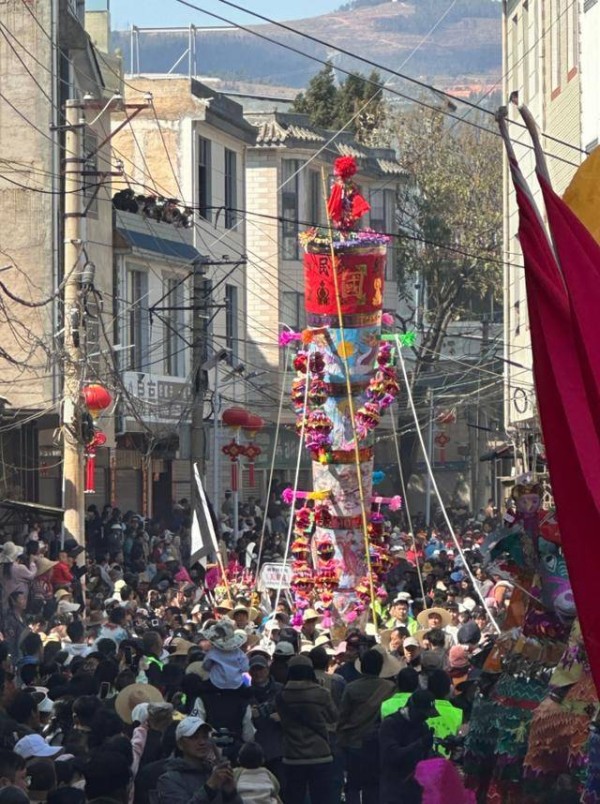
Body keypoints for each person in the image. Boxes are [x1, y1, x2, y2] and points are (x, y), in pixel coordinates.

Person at [275, 655, 337, 804]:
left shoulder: (281, 695)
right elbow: (333, 717)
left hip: (292, 755)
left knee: (294, 797)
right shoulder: (321, 693)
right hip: (320, 753)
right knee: (321, 797)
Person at [337, 648, 396, 804]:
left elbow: (342, 717)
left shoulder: (351, 688)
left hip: (354, 744)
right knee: (374, 785)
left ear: (362, 666)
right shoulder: (390, 688)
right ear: (381, 667)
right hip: (378, 744)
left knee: (354, 786)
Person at [157, 716, 242, 804]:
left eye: (205, 737)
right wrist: (209, 788)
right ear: (180, 744)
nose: (202, 742)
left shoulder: (214, 774)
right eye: (194, 738)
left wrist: (231, 793)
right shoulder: (169, 780)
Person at [378, 690, 438, 804]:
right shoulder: (391, 724)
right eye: (422, 715)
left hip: (415, 788)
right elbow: (392, 755)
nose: (425, 718)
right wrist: (419, 745)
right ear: (412, 708)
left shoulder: (423, 726)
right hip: (394, 788)